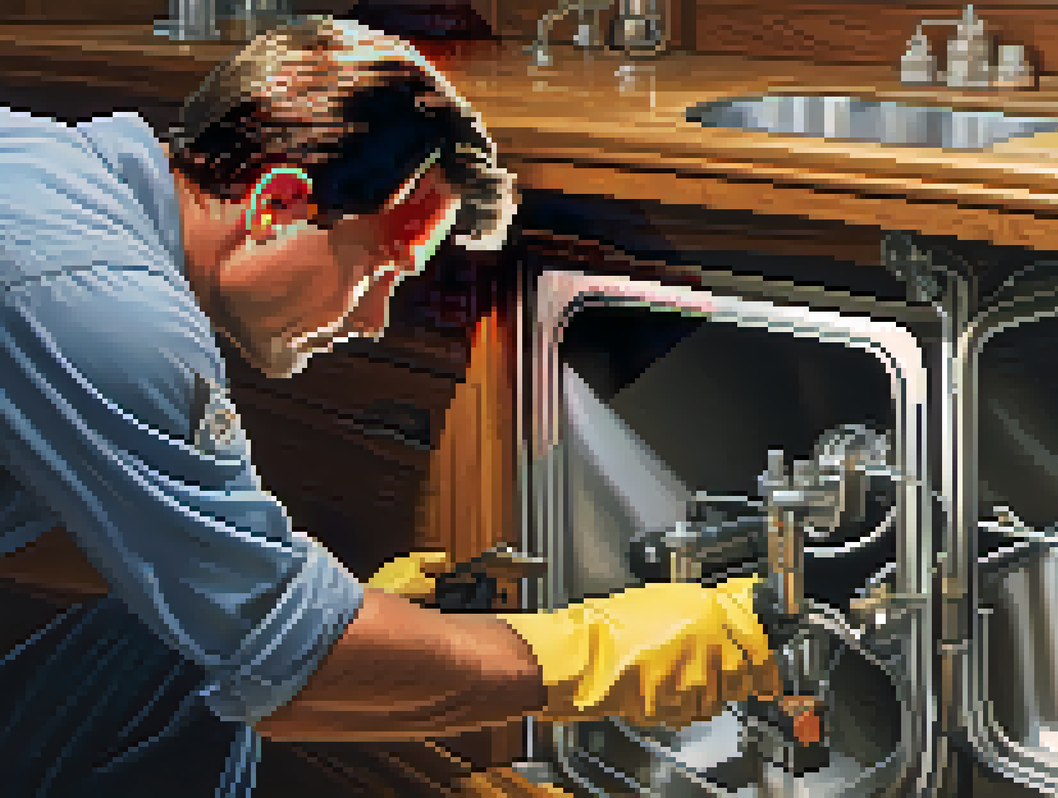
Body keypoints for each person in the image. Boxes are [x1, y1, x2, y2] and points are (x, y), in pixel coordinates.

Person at [0, 16, 780, 797]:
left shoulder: (57, 174)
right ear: (276, 206)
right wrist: (597, 651)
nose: (374, 319)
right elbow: (291, 667)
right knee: (246, 654)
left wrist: (346, 612)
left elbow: (198, 593)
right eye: (379, 271)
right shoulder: (103, 310)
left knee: (191, 635)